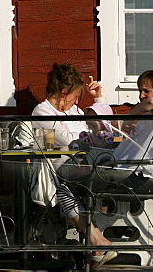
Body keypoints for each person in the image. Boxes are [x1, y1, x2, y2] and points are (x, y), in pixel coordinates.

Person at [30, 63, 116, 269]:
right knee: (61, 186)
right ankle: (96, 243)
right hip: (64, 166)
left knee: (63, 188)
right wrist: (90, 133)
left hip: (82, 165)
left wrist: (98, 99)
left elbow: (104, 134)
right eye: (75, 96)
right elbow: (69, 140)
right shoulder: (42, 111)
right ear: (63, 92)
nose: (77, 101)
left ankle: (96, 245)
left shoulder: (74, 110)